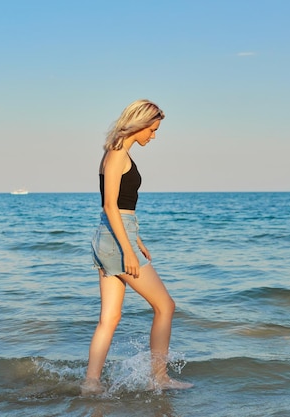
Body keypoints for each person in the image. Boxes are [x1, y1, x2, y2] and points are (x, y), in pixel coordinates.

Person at [82, 99, 193, 395]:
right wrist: (128, 249)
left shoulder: (113, 152)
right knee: (165, 306)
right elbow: (109, 204)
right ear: (140, 125)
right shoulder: (118, 154)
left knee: (110, 318)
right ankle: (159, 378)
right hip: (118, 241)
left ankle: (90, 384)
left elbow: (120, 205)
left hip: (112, 235)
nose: (153, 136)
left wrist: (137, 240)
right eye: (153, 130)